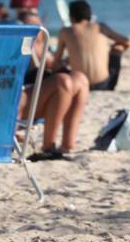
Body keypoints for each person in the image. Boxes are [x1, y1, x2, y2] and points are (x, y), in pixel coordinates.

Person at [16, 10, 89, 160]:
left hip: (41, 99)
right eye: (31, 26)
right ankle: (48, 146)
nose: (37, 30)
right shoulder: (20, 47)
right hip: (19, 103)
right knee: (62, 81)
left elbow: (51, 64)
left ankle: (68, 144)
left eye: (38, 25)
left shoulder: (41, 47)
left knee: (81, 79)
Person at [55, 0, 130, 91]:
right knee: (118, 48)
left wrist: (65, 62)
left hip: (78, 84)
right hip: (104, 85)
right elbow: (127, 41)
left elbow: (56, 61)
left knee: (61, 65)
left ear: (71, 16)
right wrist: (113, 48)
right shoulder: (100, 27)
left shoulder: (65, 31)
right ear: (89, 15)